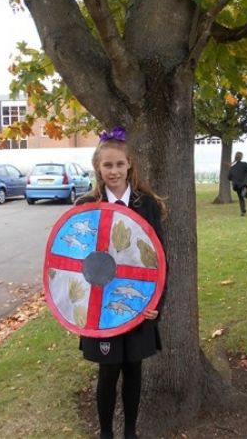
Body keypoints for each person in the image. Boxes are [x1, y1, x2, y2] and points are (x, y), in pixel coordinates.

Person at [75, 126, 167, 439]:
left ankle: (130, 432)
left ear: (129, 165)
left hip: (138, 302)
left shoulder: (147, 205)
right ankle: (105, 433)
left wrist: (156, 303)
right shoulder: (86, 205)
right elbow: (76, 261)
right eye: (107, 165)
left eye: (119, 164)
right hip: (101, 305)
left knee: (133, 369)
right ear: (98, 168)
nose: (113, 171)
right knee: (108, 370)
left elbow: (159, 260)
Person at [227, 151, 247, 216]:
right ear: (241, 157)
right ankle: (244, 192)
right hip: (243, 184)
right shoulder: (244, 164)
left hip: (236, 185)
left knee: (240, 198)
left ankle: (243, 211)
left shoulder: (232, 167)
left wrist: (233, 177)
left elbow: (229, 177)